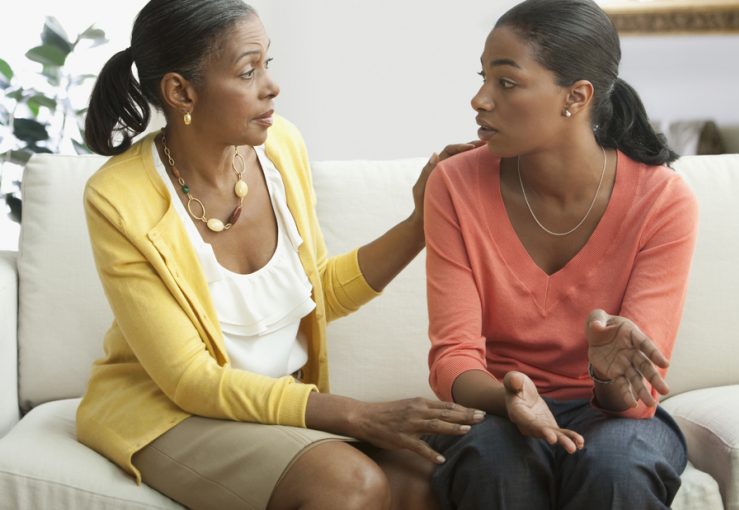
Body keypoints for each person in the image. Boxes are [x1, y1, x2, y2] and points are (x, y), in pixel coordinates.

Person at [77, 1, 484, 509]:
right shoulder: (118, 196)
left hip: (265, 402)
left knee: (422, 478)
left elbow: (317, 295)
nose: (271, 86)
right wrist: (354, 414)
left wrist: (419, 222)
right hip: (170, 412)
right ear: (181, 91)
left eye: (268, 64)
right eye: (248, 71)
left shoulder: (281, 146)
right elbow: (189, 380)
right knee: (350, 485)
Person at [422, 0, 699, 508]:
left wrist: (607, 375)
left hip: (611, 415)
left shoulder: (662, 200)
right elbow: (452, 360)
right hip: (495, 406)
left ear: (576, 97)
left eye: (506, 83)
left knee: (618, 466)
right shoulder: (455, 185)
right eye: (483, 78)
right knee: (497, 464)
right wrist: (509, 397)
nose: (479, 100)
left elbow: (635, 400)